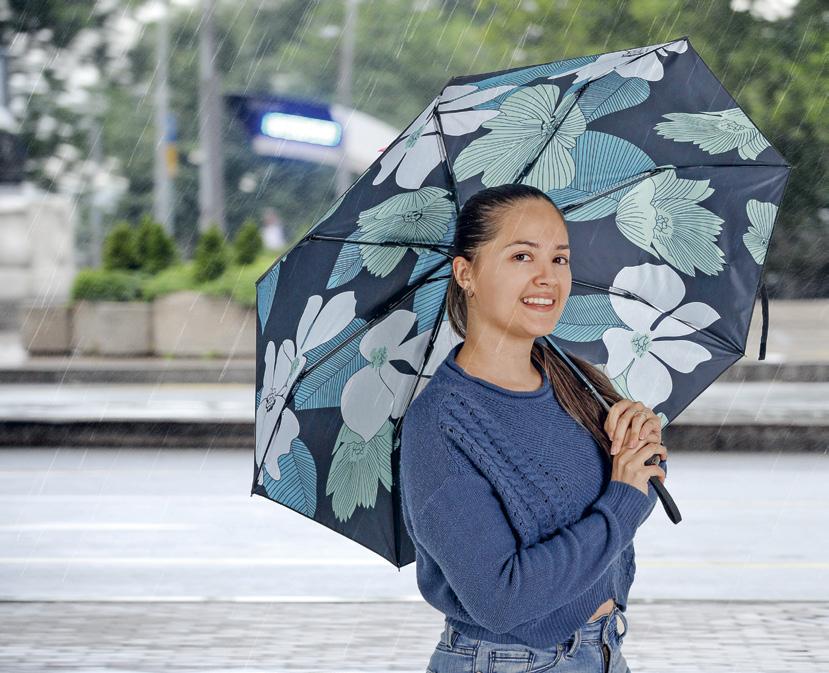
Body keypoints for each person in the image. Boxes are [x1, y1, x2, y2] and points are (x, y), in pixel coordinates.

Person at [399, 183, 668, 673]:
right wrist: (623, 496)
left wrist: (639, 451)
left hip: (605, 650)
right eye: (522, 256)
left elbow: (631, 501)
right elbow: (501, 599)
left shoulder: (575, 380)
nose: (548, 277)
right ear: (466, 273)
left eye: (559, 259)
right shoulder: (441, 425)